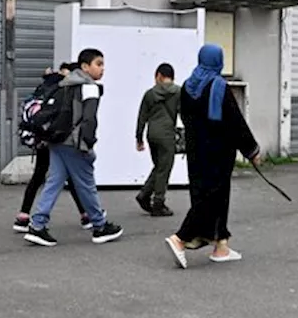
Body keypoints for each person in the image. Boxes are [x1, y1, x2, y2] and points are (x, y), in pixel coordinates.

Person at [165, 44, 262, 269]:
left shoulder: (188, 86)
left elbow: (186, 118)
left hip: (196, 151)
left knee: (205, 195)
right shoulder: (218, 86)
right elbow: (235, 123)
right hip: (218, 152)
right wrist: (252, 151)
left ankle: (221, 247)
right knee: (212, 198)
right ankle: (180, 238)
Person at [24, 48, 123, 247]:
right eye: (98, 64)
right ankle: (100, 225)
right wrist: (88, 144)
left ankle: (37, 224)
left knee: (54, 182)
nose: (102, 68)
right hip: (75, 143)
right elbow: (89, 119)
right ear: (85, 67)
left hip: (56, 140)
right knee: (86, 183)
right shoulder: (90, 87)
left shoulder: (65, 84)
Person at [13, 62, 91, 233]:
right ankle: (86, 215)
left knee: (40, 175)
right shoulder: (64, 88)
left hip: (40, 138)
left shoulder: (46, 85)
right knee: (69, 177)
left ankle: (23, 216)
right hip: (55, 140)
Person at [135, 63, 182, 216]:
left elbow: (142, 117)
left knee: (159, 167)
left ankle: (144, 195)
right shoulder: (178, 92)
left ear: (159, 76)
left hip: (152, 135)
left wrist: (139, 138)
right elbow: (184, 114)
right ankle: (158, 203)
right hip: (167, 134)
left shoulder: (149, 94)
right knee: (164, 169)